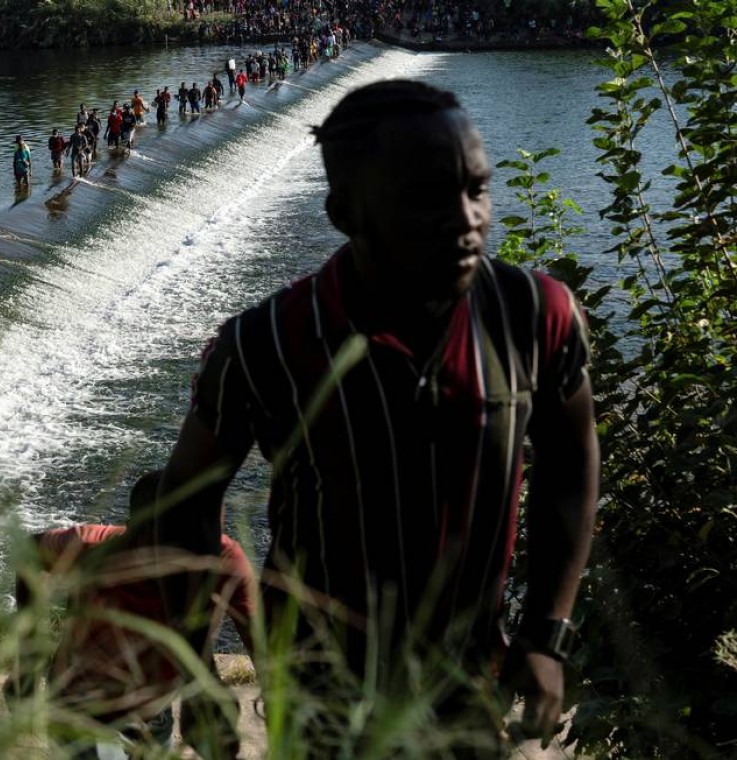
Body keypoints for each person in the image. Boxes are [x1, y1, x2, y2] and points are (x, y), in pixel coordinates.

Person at [154, 80, 599, 756]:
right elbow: (185, 507)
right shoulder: (262, 343)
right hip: (316, 692)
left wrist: (545, 633)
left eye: (476, 189)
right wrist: (196, 673)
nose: (465, 219)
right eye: (423, 197)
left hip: (469, 676)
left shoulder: (533, 315)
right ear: (344, 212)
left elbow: (569, 465)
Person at [9, 471, 256, 759]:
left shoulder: (224, 561)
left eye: (203, 535)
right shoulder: (92, 550)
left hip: (153, 716)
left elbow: (268, 652)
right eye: (171, 538)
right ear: (134, 531)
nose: (187, 553)